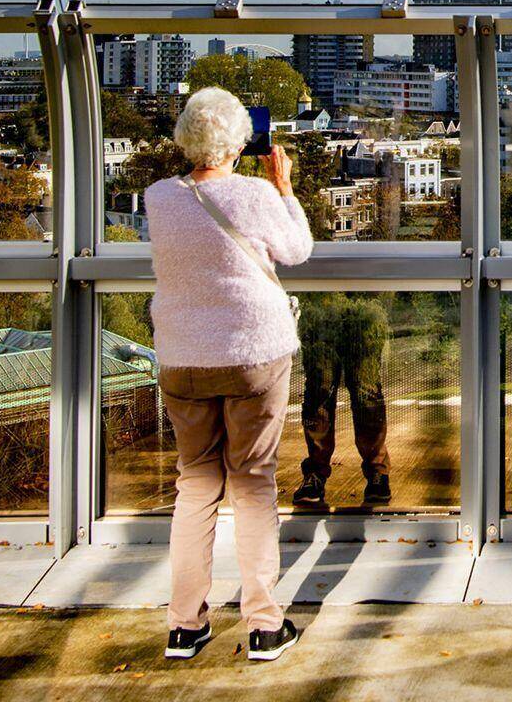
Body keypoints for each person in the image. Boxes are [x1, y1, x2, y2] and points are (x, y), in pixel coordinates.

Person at [145, 86, 314, 664]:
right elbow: (297, 250)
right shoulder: (254, 194)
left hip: (182, 357)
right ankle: (264, 625)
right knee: (252, 481)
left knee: (194, 485)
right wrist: (285, 190)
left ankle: (184, 626)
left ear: (184, 140)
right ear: (241, 142)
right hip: (253, 355)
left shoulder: (158, 197)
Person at [293, 293, 391, 508]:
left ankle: (377, 472)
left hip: (362, 305)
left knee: (366, 393)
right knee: (319, 391)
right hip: (321, 305)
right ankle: (316, 474)